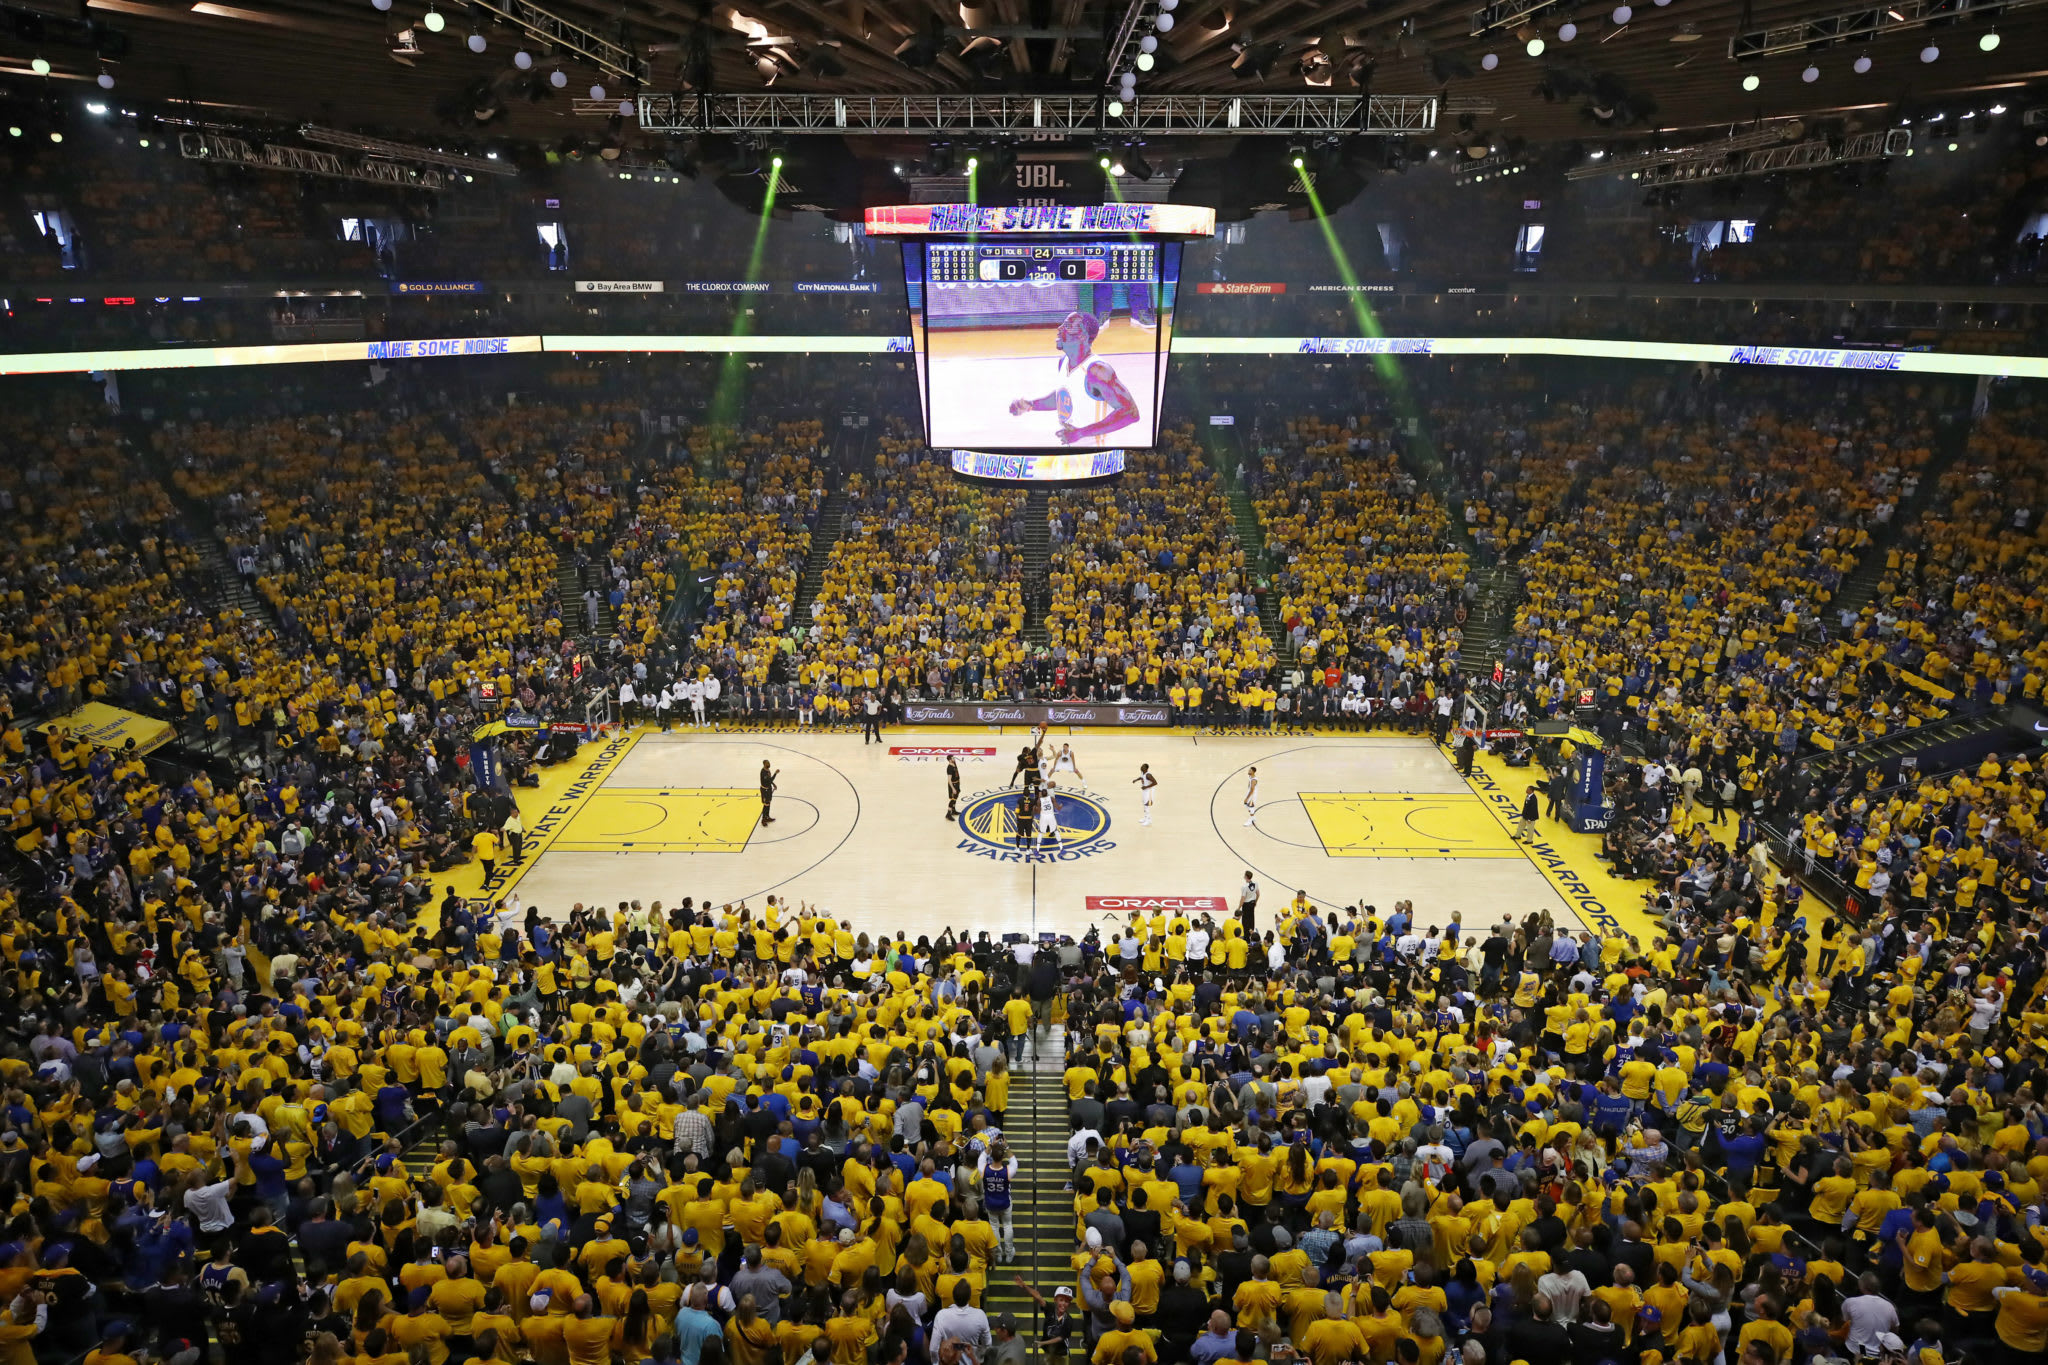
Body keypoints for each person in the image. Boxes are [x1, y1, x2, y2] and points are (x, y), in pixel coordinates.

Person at [1005, 310, 1140, 446]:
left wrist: (1081, 433)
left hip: (1096, 451)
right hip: (1071, 448)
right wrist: (1031, 405)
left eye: (1067, 326)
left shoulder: (1098, 371)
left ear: (1082, 336)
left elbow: (1130, 412)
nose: (1059, 329)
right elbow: (1065, 397)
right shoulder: (1063, 362)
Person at [759, 761, 779, 826]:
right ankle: (763, 819)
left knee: (768, 803)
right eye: (767, 764)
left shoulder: (768, 770)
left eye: (769, 763)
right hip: (764, 790)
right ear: (764, 764)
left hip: (769, 789)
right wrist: (775, 773)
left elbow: (769, 780)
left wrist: (773, 784)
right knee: (766, 804)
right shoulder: (763, 772)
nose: (768, 764)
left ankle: (767, 817)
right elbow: (770, 779)